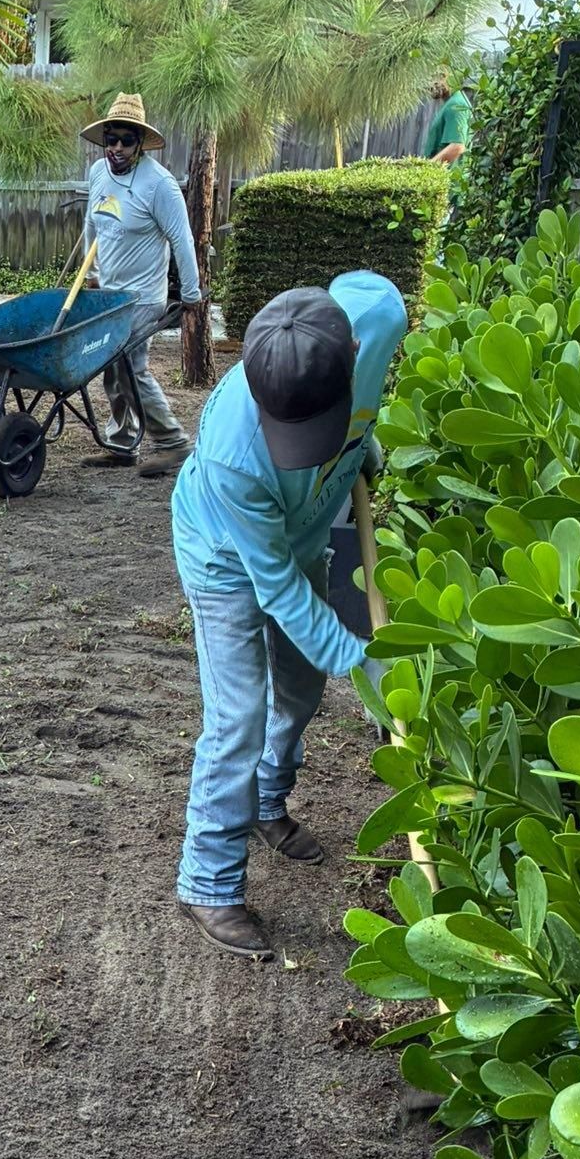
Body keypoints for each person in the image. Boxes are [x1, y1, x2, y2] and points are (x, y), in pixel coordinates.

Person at [170, 271, 408, 960]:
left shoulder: (373, 320)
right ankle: (208, 881)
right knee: (239, 714)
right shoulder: (233, 455)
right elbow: (275, 590)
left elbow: (361, 290)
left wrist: (363, 446)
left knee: (299, 691)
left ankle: (268, 802)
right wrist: (361, 660)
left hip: (298, 533)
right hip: (226, 558)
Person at [80, 93, 204, 477]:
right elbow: (93, 224)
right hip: (110, 292)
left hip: (144, 297)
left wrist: (191, 294)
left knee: (132, 368)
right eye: (111, 139)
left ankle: (173, 443)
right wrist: (91, 272)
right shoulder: (99, 174)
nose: (116, 147)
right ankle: (122, 443)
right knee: (111, 368)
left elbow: (183, 239)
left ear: (140, 143)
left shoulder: (159, 185)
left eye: (126, 140)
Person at [422, 75, 471, 168]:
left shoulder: (456, 104)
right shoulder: (451, 103)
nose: (432, 82)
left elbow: (457, 147)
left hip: (450, 180)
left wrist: (426, 169)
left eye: (439, 76)